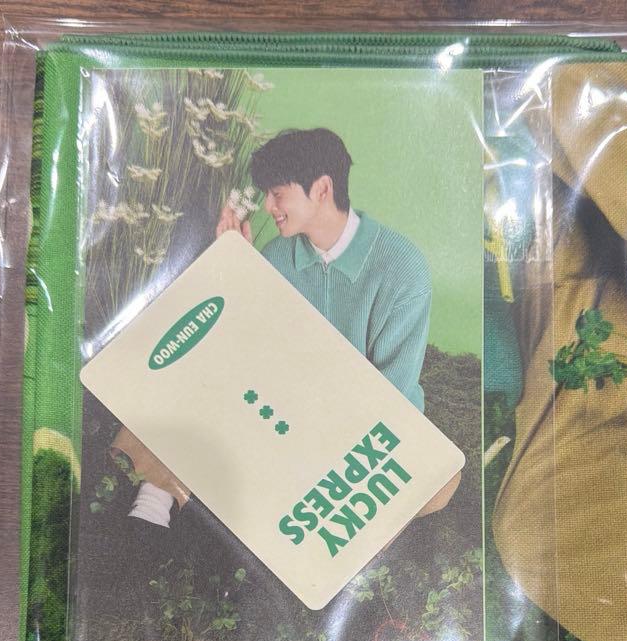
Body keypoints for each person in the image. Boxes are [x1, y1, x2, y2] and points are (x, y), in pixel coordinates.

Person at [128, 126, 458, 526]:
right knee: (208, 372)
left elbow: (397, 393)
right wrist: (235, 265)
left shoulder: (401, 266)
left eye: (277, 193)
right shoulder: (277, 256)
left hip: (361, 426)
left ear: (321, 189)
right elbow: (243, 346)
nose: (268, 206)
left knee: (441, 481)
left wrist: (324, 438)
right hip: (285, 408)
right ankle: (153, 503)